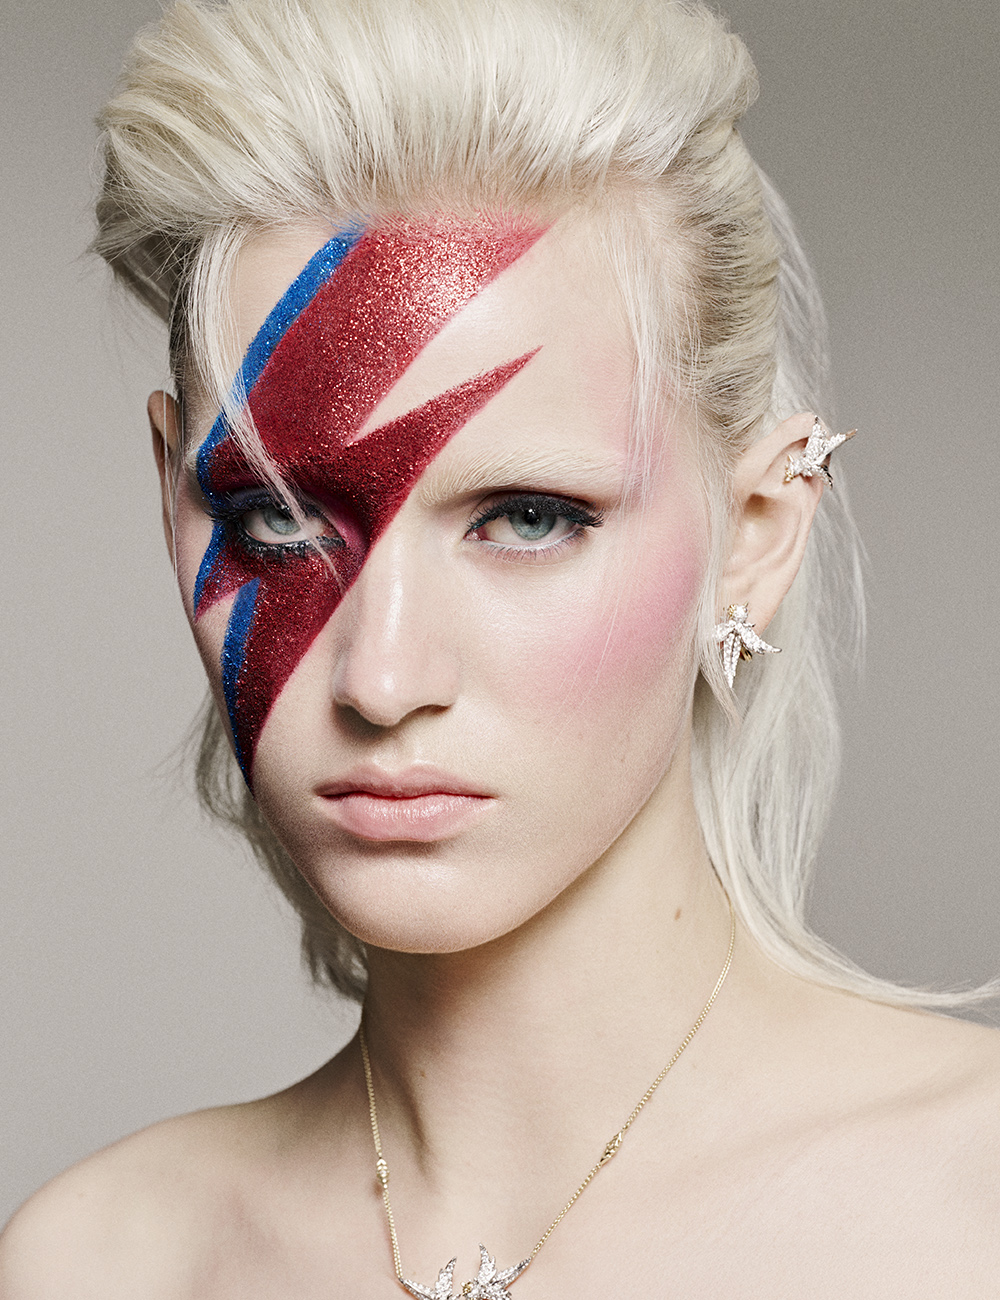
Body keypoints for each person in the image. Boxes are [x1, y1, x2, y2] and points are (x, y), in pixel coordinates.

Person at [2, 0, 998, 1294]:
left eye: (528, 517)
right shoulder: (98, 1264)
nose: (382, 679)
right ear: (172, 498)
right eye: (279, 521)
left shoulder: (972, 1208)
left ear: (754, 535)